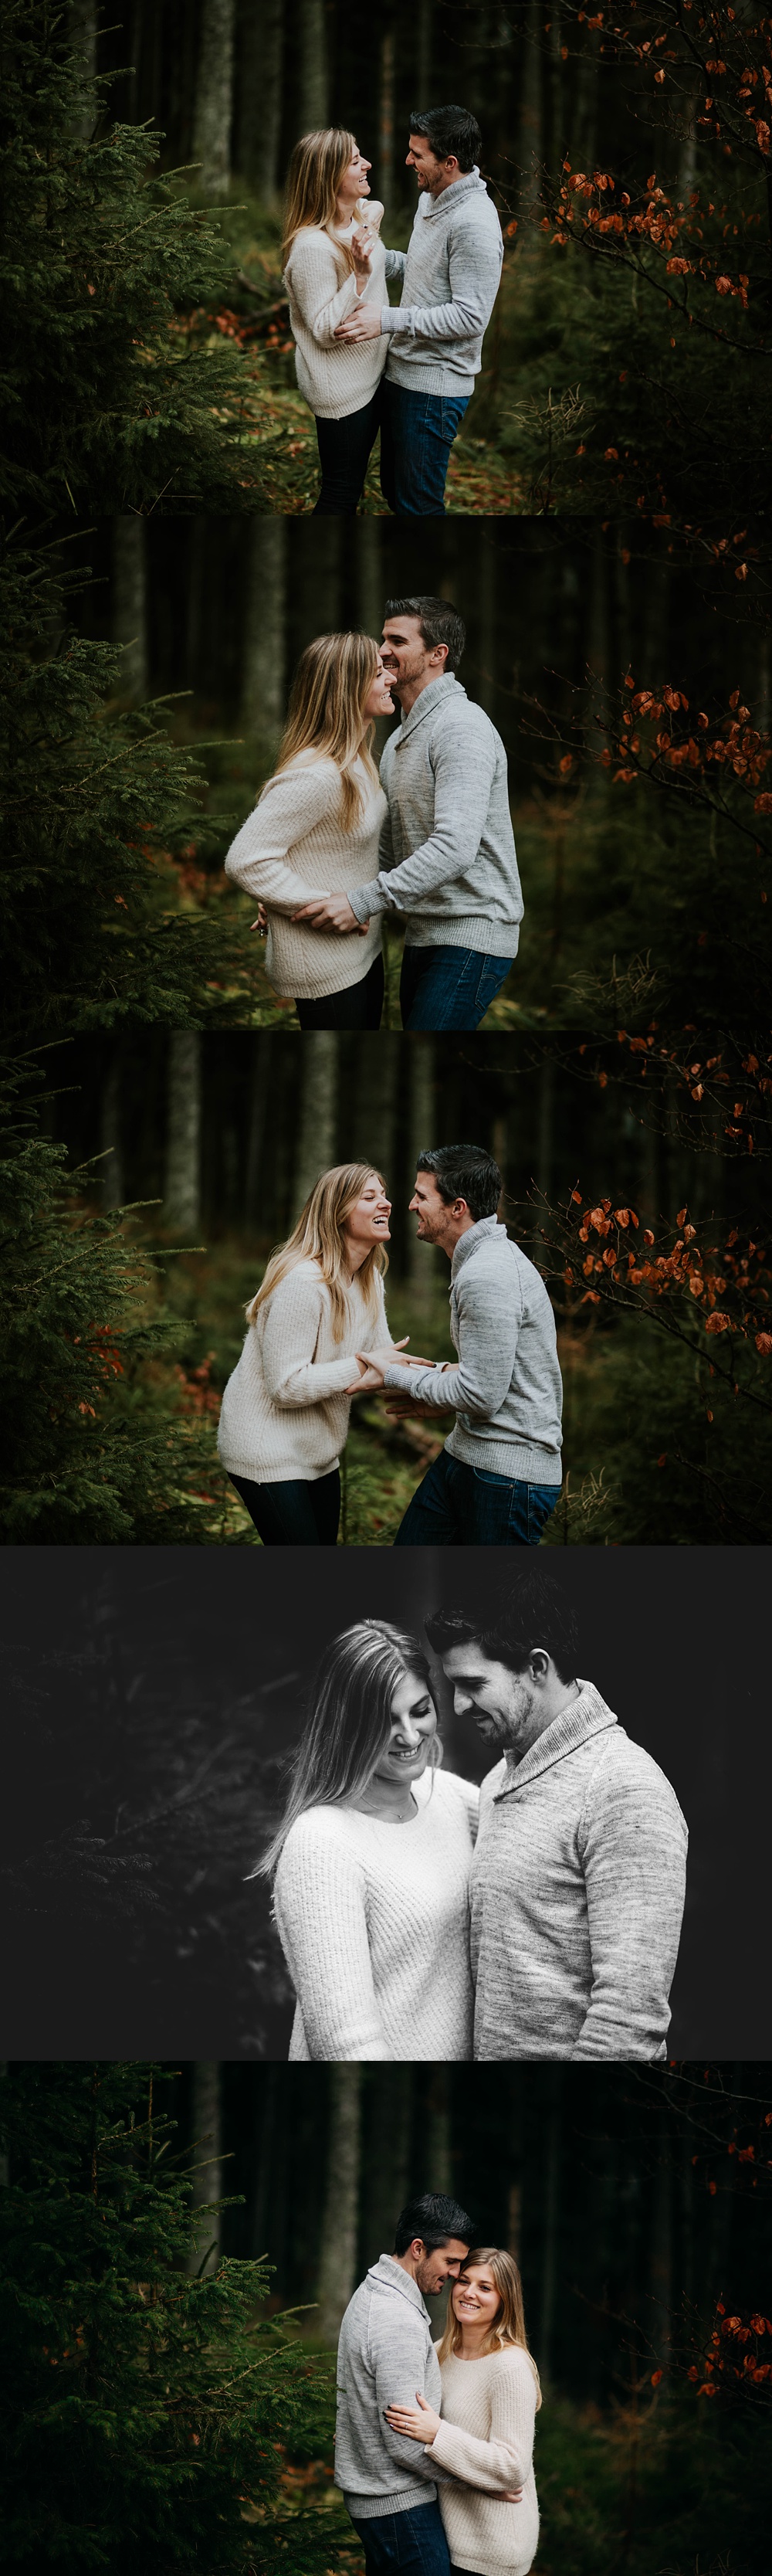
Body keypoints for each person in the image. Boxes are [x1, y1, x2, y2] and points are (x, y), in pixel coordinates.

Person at [425, 1570, 689, 2061]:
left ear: (537, 1667)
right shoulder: (499, 1779)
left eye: (473, 1684)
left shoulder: (623, 1787)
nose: (458, 1705)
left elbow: (630, 2018)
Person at [293, 599, 524, 1031]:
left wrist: (361, 903)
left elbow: (455, 849)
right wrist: (300, 898)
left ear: (438, 654)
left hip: (472, 934)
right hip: (423, 934)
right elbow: (384, 851)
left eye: (397, 641)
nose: (381, 650)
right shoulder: (401, 736)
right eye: (383, 638)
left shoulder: (461, 726)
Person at [255, 1621, 479, 2058]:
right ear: (346, 1725)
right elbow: (345, 2041)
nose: (411, 1736)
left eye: (419, 1711)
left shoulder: (449, 1795)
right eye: (385, 1721)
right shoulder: (321, 1842)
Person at [355, 1145, 564, 1547]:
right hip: (468, 1456)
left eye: (422, 1196)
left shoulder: (487, 1274)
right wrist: (439, 1380)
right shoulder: (479, 1260)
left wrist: (397, 1375)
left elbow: (481, 1394)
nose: (411, 1205)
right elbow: (484, 1377)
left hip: (506, 1478)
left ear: (458, 1208)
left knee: (484, 1610)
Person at [216, 1165, 408, 1545]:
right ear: (337, 1212)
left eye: (383, 1194)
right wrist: (363, 1366)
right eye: (369, 1197)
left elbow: (386, 1360)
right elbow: (285, 1387)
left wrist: (451, 1379)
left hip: (318, 1452)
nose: (385, 1203)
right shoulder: (303, 1283)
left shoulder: (370, 1280)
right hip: (265, 1450)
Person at [334, 107, 503, 517]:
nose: (408, 161)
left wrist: (386, 320)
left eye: (417, 154)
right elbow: (426, 272)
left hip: (434, 389)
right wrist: (373, 254)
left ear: (451, 163)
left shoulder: (474, 223)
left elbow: (470, 317)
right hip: (402, 375)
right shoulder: (432, 197)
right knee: (397, 493)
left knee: (418, 507)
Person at [223, 633, 394, 1030]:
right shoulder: (317, 775)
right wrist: (315, 903)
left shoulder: (358, 760)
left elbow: (315, 848)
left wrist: (279, 895)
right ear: (345, 689)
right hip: (325, 965)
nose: (390, 679)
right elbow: (245, 861)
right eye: (377, 673)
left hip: (363, 950)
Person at [335, 2193, 475, 2576]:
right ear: (418, 2249)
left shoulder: (375, 2292)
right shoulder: (395, 2318)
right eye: (450, 2261)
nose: (456, 2274)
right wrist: (476, 2477)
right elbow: (404, 2445)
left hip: (382, 2502)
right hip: (399, 2508)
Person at [386, 2246, 541, 2576]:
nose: (469, 2293)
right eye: (464, 2281)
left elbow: (513, 2468)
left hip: (493, 2551)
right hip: (445, 2537)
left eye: (485, 2288)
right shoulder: (439, 2352)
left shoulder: (509, 2366)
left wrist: (439, 2433)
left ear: (505, 2300)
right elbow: (404, 2418)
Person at [282, 130, 402, 514]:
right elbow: (324, 330)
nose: (367, 164)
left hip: (372, 375)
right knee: (341, 494)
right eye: (354, 161)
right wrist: (362, 276)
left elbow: (375, 208)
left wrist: (368, 219)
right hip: (343, 394)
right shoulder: (311, 248)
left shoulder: (356, 219)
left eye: (361, 154)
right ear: (327, 177)